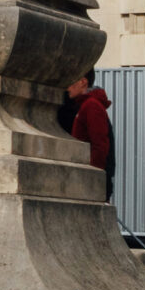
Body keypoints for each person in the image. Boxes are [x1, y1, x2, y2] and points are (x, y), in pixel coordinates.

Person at [62, 70, 116, 201]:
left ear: (83, 82)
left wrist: (93, 178)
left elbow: (100, 145)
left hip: (90, 181)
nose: (67, 87)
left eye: (71, 82)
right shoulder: (87, 105)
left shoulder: (91, 105)